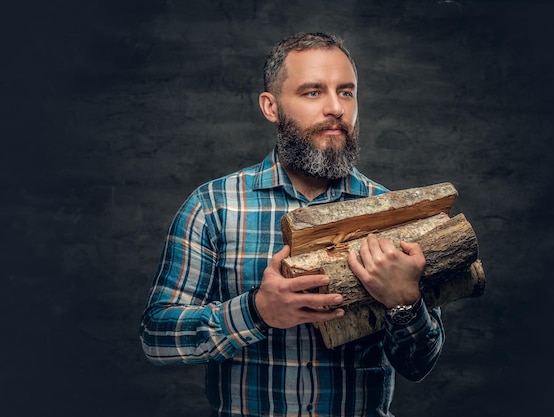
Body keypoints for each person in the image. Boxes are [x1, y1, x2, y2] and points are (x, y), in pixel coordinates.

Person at [140, 32, 444, 417]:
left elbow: (419, 365)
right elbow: (156, 338)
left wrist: (405, 302)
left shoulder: (394, 216)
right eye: (313, 92)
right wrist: (257, 312)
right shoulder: (213, 207)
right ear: (271, 106)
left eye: (346, 92)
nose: (336, 107)